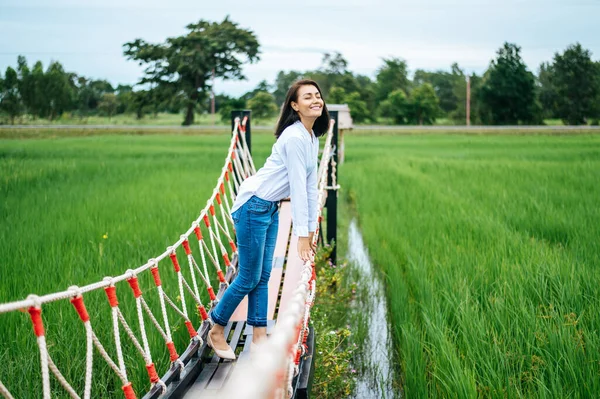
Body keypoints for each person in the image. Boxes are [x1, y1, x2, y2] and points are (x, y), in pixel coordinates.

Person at [207, 79, 330, 360]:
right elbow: (298, 189)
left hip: (270, 206)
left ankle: (260, 338)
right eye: (307, 97)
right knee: (249, 276)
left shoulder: (310, 137)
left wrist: (310, 230)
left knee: (263, 275)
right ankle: (216, 328)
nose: (316, 100)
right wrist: (301, 235)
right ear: (295, 106)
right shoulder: (295, 137)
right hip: (253, 206)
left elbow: (310, 188)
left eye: (318, 96)